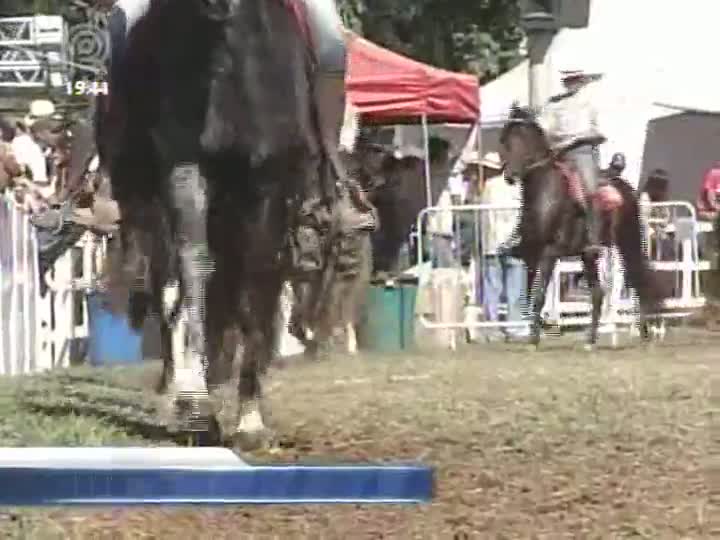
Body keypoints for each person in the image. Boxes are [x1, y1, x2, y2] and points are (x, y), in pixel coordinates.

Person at [539, 68, 606, 255]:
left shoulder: (590, 100)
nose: (572, 83)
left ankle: (593, 237)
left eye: (575, 79)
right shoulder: (553, 105)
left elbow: (595, 127)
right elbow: (544, 129)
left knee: (590, 190)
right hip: (559, 152)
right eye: (569, 79)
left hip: (583, 148)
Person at [478, 152, 527, 341]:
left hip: (515, 243)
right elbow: (485, 217)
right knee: (492, 287)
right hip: (494, 243)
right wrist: (487, 243)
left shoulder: (523, 188)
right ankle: (491, 327)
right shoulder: (491, 186)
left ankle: (514, 327)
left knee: (515, 289)